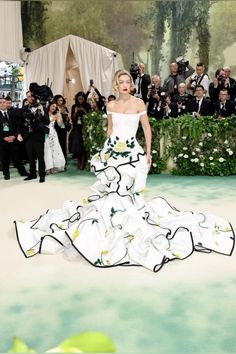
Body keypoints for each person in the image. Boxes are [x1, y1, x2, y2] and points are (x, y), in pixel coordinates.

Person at [15, 70, 234, 273]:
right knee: (111, 190)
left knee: (129, 190)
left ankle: (128, 219)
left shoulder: (139, 103)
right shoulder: (110, 106)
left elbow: (146, 129)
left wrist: (148, 153)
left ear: (131, 84)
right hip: (113, 152)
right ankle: (113, 221)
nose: (125, 85)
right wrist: (104, 151)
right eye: (121, 82)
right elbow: (110, 130)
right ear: (116, 86)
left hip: (132, 152)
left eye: (128, 81)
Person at [18, 91, 49, 183]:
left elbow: (47, 121)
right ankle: (32, 174)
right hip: (27, 136)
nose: (30, 98)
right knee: (30, 157)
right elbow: (20, 124)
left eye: (31, 96)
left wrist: (42, 112)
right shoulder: (24, 108)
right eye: (28, 96)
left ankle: (42, 175)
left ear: (35, 97)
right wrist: (19, 134)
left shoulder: (41, 107)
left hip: (38, 136)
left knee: (40, 156)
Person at [0, 97, 29, 180]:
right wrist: (4, 137)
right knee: (4, 158)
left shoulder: (12, 114)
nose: (2, 104)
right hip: (3, 140)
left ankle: (22, 172)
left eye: (4, 102)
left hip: (13, 139)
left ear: (7, 103)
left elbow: (17, 126)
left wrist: (14, 135)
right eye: (0, 102)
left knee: (17, 157)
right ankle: (6, 174)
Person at [44, 102, 66, 174]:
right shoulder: (45, 113)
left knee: (54, 149)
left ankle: (53, 166)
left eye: (55, 107)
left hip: (53, 133)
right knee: (47, 149)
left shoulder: (56, 114)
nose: (54, 108)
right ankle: (47, 166)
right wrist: (51, 119)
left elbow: (60, 124)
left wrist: (59, 116)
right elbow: (44, 123)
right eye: (53, 106)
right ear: (49, 106)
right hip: (46, 132)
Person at [53, 94, 71, 163]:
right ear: (56, 101)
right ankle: (58, 159)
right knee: (58, 142)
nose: (61, 101)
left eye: (62, 100)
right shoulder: (54, 107)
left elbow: (67, 117)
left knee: (64, 142)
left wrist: (67, 118)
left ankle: (64, 158)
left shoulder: (64, 107)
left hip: (63, 127)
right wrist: (59, 113)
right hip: (56, 127)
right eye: (59, 100)